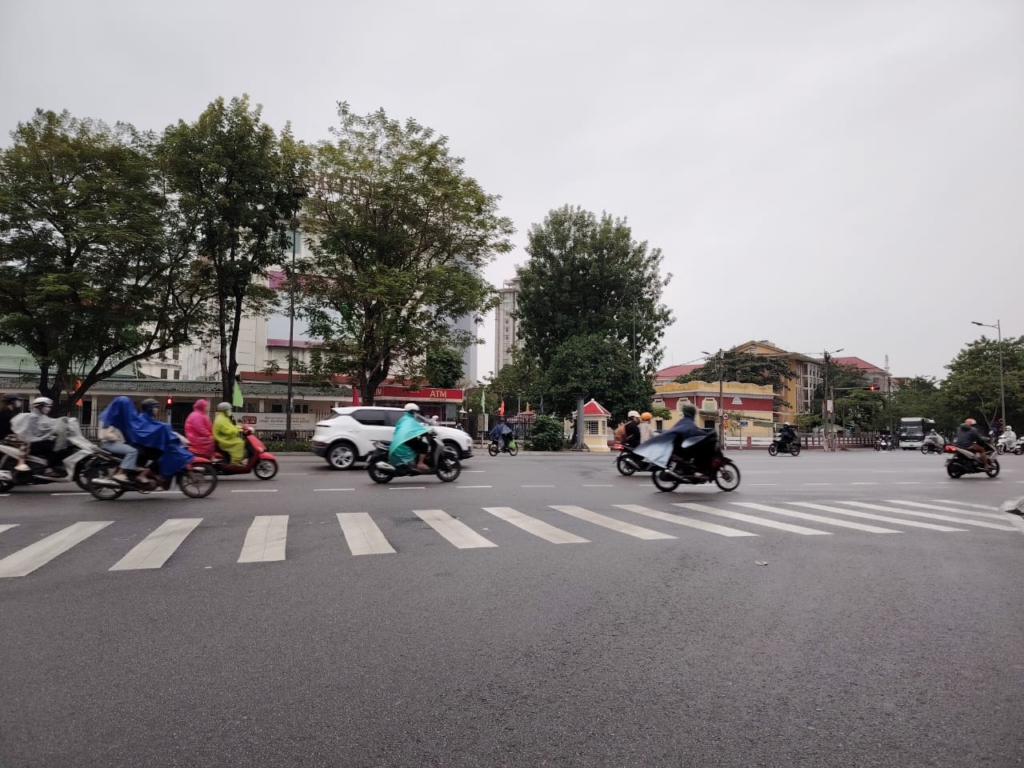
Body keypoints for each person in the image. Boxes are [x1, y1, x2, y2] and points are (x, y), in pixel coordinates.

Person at [388, 403, 431, 472]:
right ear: (412, 411)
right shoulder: (410, 420)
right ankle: (420, 463)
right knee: (424, 445)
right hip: (406, 440)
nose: (416, 414)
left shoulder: (404, 419)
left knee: (418, 442)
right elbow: (418, 427)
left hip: (403, 439)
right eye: (415, 412)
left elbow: (413, 428)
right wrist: (426, 431)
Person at [98, 419, 139, 484]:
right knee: (133, 451)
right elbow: (106, 435)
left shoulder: (107, 417)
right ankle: (120, 473)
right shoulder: (111, 419)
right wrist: (117, 437)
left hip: (110, 442)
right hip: (110, 443)